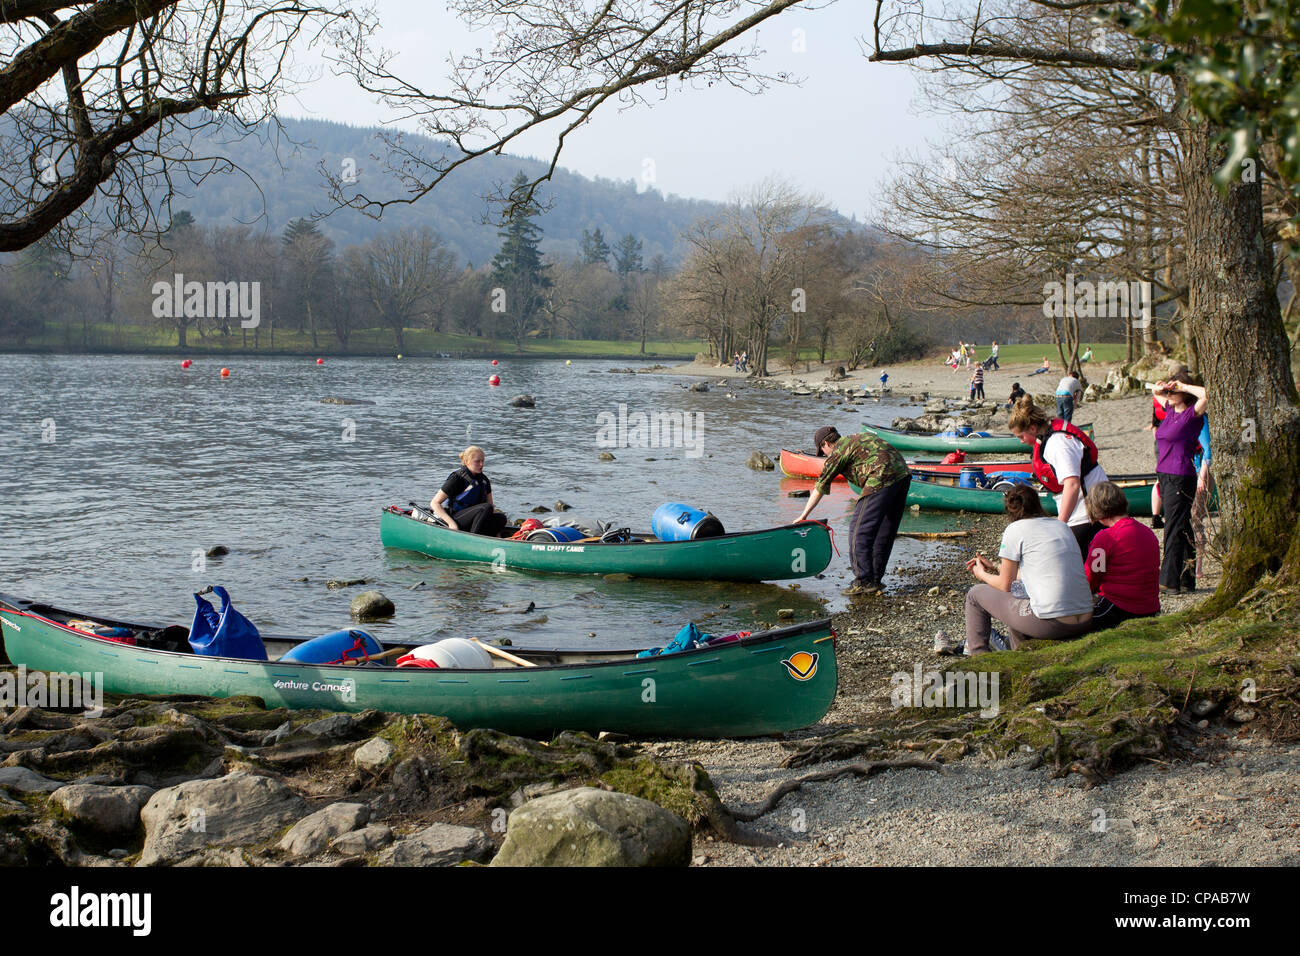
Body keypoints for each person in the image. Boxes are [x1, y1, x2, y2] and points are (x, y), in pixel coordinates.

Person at [956, 485, 1095, 655]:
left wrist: (982, 574)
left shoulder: (1015, 529)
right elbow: (1037, 574)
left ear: (1010, 510)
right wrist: (995, 566)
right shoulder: (1062, 526)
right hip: (1086, 617)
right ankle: (1021, 655)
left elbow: (1005, 585)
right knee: (1020, 595)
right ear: (1037, 503)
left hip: (1053, 623)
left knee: (975, 595)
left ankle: (979, 658)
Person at [796, 425, 911, 597]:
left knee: (859, 531)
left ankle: (863, 581)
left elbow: (820, 487)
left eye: (823, 451)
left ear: (826, 443)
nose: (825, 455)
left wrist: (803, 515)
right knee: (883, 532)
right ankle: (875, 579)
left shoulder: (838, 452)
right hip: (902, 474)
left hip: (880, 477)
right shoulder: (855, 439)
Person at [1008, 396, 1109, 557]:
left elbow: (1073, 484)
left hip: (1088, 515)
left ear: (1033, 428)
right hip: (1083, 512)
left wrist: (1060, 524)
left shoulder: (1058, 444)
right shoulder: (1047, 436)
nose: (1021, 441)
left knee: (1082, 569)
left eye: (1021, 436)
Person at [1153, 372, 1209, 592]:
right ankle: (1186, 580)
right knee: (1182, 526)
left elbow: (1206, 394)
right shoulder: (1169, 411)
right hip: (1164, 474)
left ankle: (1168, 580)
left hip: (1180, 475)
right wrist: (1164, 387)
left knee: (1173, 527)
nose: (1170, 394)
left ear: (1185, 393)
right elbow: (1155, 393)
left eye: (1174, 391)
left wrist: (1183, 385)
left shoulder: (1192, 415)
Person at [1083, 481, 1160, 631]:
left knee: (1073, 624)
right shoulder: (1147, 532)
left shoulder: (1106, 537)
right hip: (1150, 606)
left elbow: (1091, 576)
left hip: (1119, 607)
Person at [430, 445, 508, 537]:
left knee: (501, 518)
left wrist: (497, 531)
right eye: (477, 461)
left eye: (482, 461)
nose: (481, 464)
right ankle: (473, 538)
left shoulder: (484, 480)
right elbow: (434, 503)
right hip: (457, 518)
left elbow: (491, 506)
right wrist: (452, 524)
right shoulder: (457, 478)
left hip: (476, 519)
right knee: (485, 508)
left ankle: (483, 535)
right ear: (466, 462)